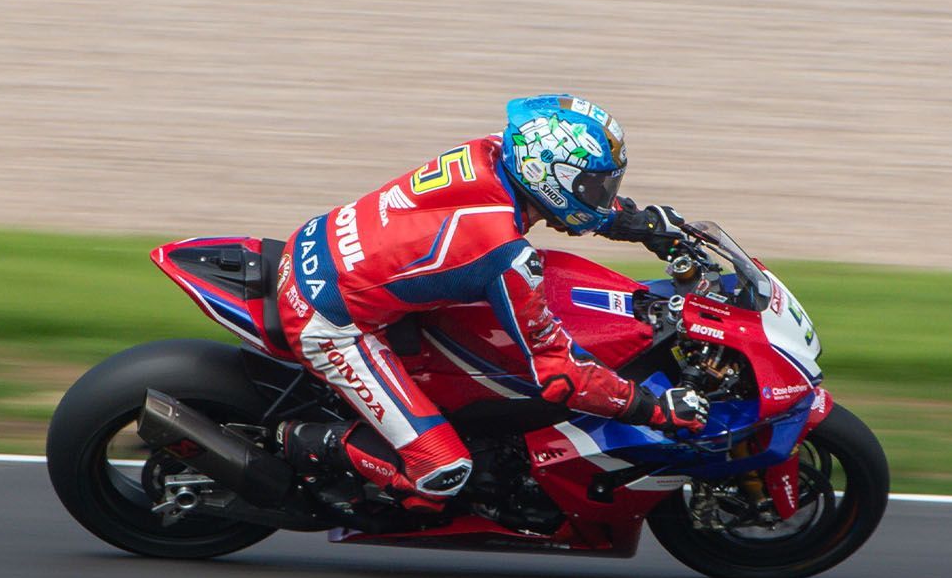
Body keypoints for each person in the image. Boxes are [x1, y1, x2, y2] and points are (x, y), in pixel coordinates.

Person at [273, 95, 710, 514]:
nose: (601, 194)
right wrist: (654, 408)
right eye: (595, 186)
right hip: (328, 319)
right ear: (550, 175)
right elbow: (562, 377)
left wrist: (634, 223)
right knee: (441, 472)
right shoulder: (503, 253)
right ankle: (305, 441)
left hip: (322, 244)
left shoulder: (493, 150)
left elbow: (562, 197)